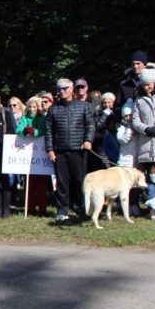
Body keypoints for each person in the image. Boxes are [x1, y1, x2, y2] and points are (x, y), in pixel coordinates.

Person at [45, 78, 95, 222]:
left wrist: (88, 140)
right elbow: (48, 131)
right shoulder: (53, 109)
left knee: (79, 181)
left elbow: (90, 125)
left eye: (65, 88)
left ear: (72, 89)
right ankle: (62, 210)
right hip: (59, 151)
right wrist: (49, 149)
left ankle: (80, 209)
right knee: (62, 182)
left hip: (78, 150)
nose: (62, 91)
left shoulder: (83, 106)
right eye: (59, 89)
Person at [15, 97, 48, 215]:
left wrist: (35, 132)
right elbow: (18, 130)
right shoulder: (24, 118)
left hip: (39, 153)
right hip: (27, 154)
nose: (32, 109)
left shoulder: (42, 118)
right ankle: (30, 207)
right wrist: (24, 131)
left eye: (35, 107)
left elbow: (43, 130)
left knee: (41, 183)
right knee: (30, 183)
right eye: (30, 107)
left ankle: (42, 207)